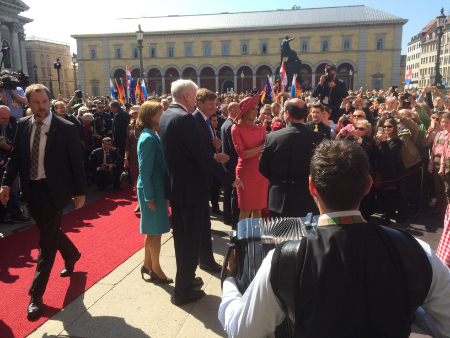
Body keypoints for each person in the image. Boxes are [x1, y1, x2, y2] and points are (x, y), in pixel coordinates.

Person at [220, 140, 450, 338]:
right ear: (369, 185)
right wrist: (409, 304)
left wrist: (230, 283)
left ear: (311, 186)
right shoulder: (416, 251)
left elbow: (242, 331)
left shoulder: (284, 260)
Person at [0, 84, 87, 318]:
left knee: (46, 243)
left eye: (45, 102)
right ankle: (71, 254)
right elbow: (15, 157)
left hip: (55, 192)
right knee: (50, 231)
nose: (42, 107)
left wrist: (80, 192)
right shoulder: (22, 126)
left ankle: (36, 295)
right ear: (28, 103)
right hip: (32, 191)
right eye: (36, 102)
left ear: (50, 101)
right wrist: (6, 183)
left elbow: (76, 163)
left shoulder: (66, 128)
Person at [158, 79, 242, 306]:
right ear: (187, 96)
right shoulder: (184, 118)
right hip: (191, 189)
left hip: (177, 187)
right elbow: (202, 156)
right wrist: (230, 179)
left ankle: (184, 280)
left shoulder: (167, 114)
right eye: (195, 96)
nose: (195, 100)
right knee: (191, 240)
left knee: (182, 239)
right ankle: (184, 291)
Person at [259, 98, 324, 217]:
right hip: (307, 197)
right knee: (306, 234)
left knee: (279, 235)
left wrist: (278, 178)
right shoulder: (318, 138)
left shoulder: (272, 137)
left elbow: (263, 167)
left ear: (287, 114)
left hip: (279, 196)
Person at [192, 88, 229, 272]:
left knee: (204, 221)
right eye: (211, 104)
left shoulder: (206, 120)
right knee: (202, 223)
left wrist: (216, 146)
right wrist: (215, 157)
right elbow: (196, 152)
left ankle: (205, 258)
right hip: (197, 178)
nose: (214, 107)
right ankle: (205, 260)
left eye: (215, 104)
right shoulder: (194, 120)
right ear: (199, 103)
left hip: (205, 177)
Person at [137, 102, 172, 283]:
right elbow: (144, 170)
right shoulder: (149, 138)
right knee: (155, 231)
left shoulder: (151, 135)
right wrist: (150, 196)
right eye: (160, 113)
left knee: (152, 231)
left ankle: (148, 264)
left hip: (155, 188)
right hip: (153, 190)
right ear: (150, 117)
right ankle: (156, 270)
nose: (163, 115)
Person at [231, 93, 268, 220]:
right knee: (245, 210)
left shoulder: (261, 128)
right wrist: (262, 147)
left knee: (258, 209)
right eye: (253, 108)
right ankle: (243, 239)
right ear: (245, 111)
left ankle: (256, 238)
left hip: (261, 173)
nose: (256, 111)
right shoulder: (236, 128)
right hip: (245, 173)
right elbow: (242, 154)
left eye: (257, 108)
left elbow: (267, 151)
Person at [373, 117, 407, 226]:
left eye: (389, 126)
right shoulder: (382, 140)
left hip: (390, 172)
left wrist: (383, 142)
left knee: (389, 195)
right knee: (381, 194)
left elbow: (389, 155)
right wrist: (377, 144)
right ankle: (387, 212)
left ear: (394, 128)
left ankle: (389, 216)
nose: (386, 128)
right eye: (385, 126)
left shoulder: (397, 141)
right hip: (379, 171)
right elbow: (376, 155)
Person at [221, 102, 240, 228]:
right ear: (233, 111)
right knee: (233, 191)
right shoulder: (230, 125)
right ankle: (232, 217)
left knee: (229, 191)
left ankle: (227, 216)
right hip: (232, 162)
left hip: (228, 162)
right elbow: (234, 147)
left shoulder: (226, 123)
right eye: (239, 109)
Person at [125, 106, 141, 212]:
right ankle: (139, 202)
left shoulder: (146, 125)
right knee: (136, 178)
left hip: (144, 152)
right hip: (133, 155)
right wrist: (126, 158)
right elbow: (127, 144)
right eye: (133, 113)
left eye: (137, 113)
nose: (135, 115)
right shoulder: (130, 126)